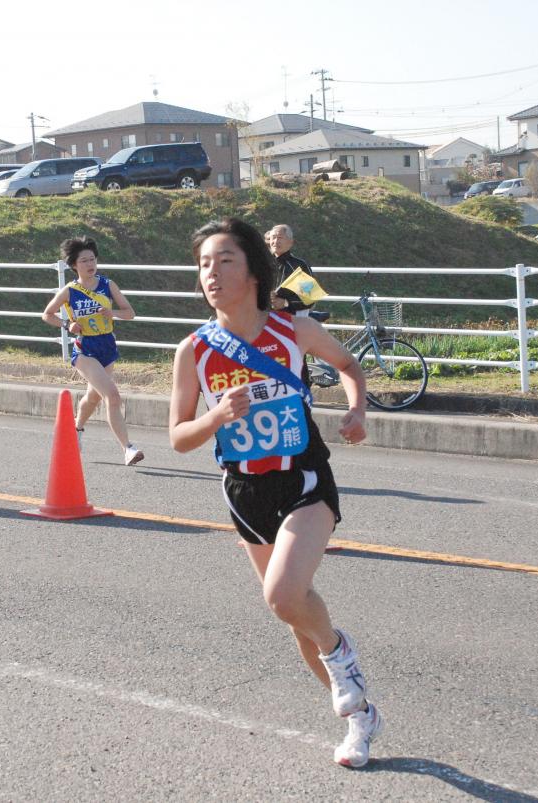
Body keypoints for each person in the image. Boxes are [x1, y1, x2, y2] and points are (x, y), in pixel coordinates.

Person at [168, 218, 380, 768]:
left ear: (255, 272)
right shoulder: (193, 351)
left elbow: (348, 365)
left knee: (284, 596)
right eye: (204, 264)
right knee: (292, 615)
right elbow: (177, 438)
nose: (212, 273)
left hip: (303, 477)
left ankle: (342, 657)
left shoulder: (293, 330)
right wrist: (215, 416)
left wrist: (355, 411)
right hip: (244, 490)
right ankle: (359, 719)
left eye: (225, 261)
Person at [41, 236, 144, 466]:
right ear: (74, 265)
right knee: (113, 396)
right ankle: (128, 448)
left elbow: (130, 313)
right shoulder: (70, 290)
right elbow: (47, 314)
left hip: (107, 346)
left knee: (93, 396)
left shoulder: (108, 285)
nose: (90, 264)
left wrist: (112, 313)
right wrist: (68, 325)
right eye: (84, 260)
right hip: (85, 349)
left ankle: (75, 428)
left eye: (92, 259)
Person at [266, 224, 315, 316]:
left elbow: (310, 298)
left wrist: (285, 302)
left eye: (280, 238)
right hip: (263, 319)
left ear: (290, 242)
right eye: (273, 237)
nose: (276, 241)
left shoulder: (299, 266)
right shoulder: (262, 263)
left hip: (291, 320)